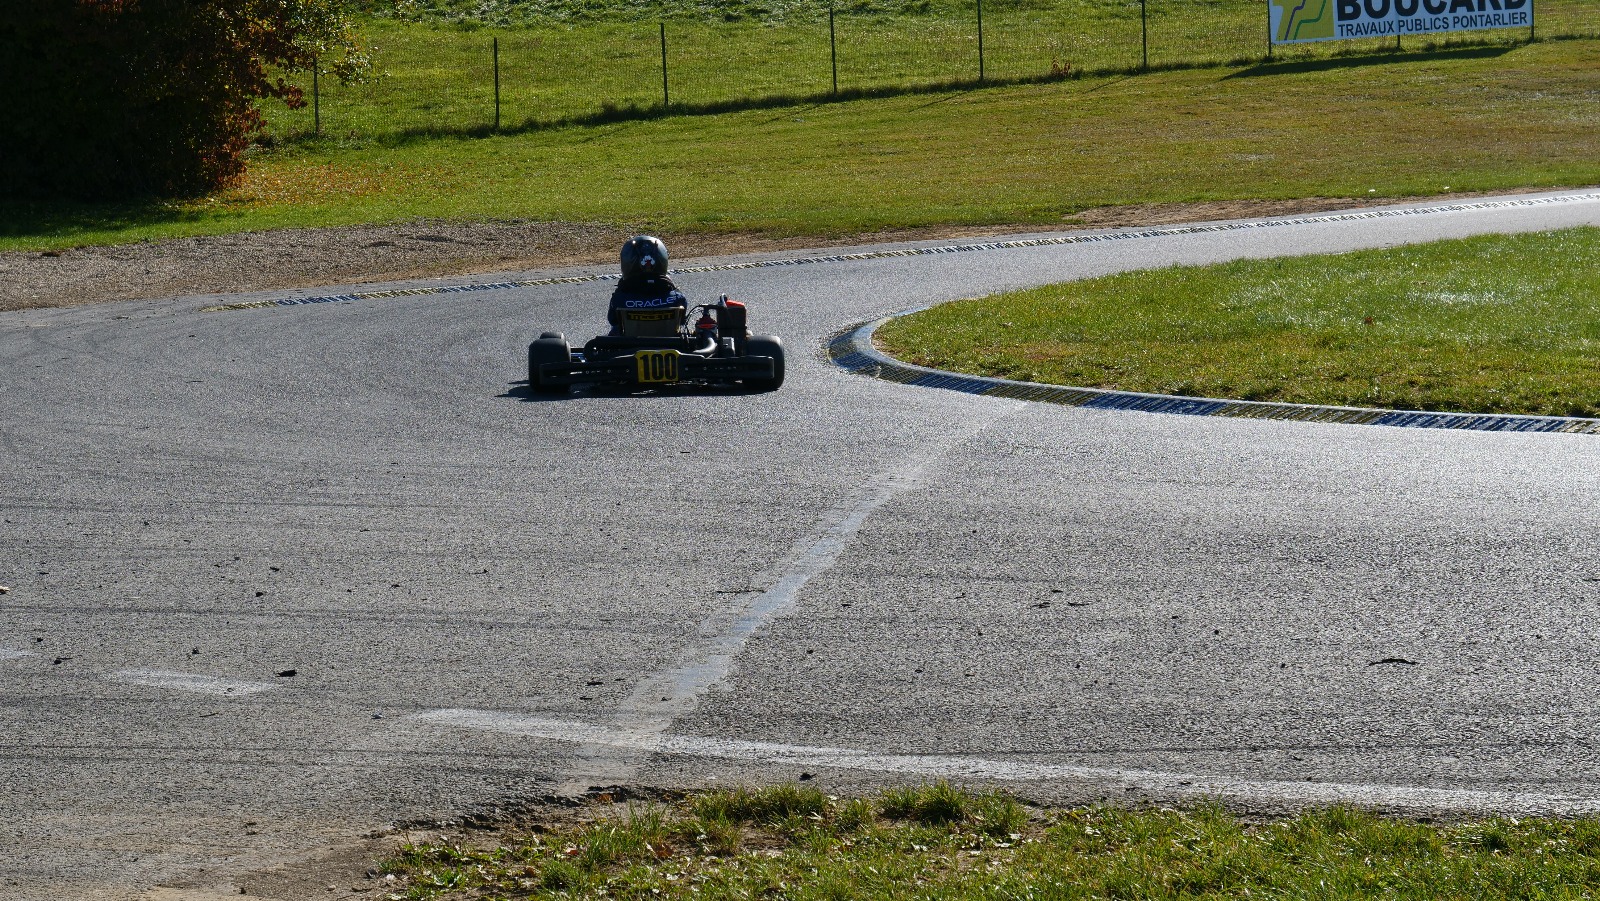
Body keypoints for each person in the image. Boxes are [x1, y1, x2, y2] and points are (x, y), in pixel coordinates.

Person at [608, 235, 686, 329]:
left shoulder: (619, 299)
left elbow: (613, 320)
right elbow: (682, 321)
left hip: (631, 342)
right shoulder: (677, 298)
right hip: (668, 342)